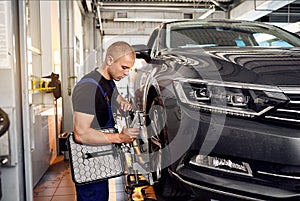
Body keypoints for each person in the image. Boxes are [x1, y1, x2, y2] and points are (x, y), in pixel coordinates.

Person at [72, 41, 140, 201]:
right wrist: (120, 138)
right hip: (89, 163)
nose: (126, 73)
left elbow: (114, 95)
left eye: (129, 69)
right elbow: (81, 134)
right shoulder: (88, 89)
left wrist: (121, 101)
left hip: (101, 158)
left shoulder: (107, 80)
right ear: (110, 60)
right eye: (124, 67)